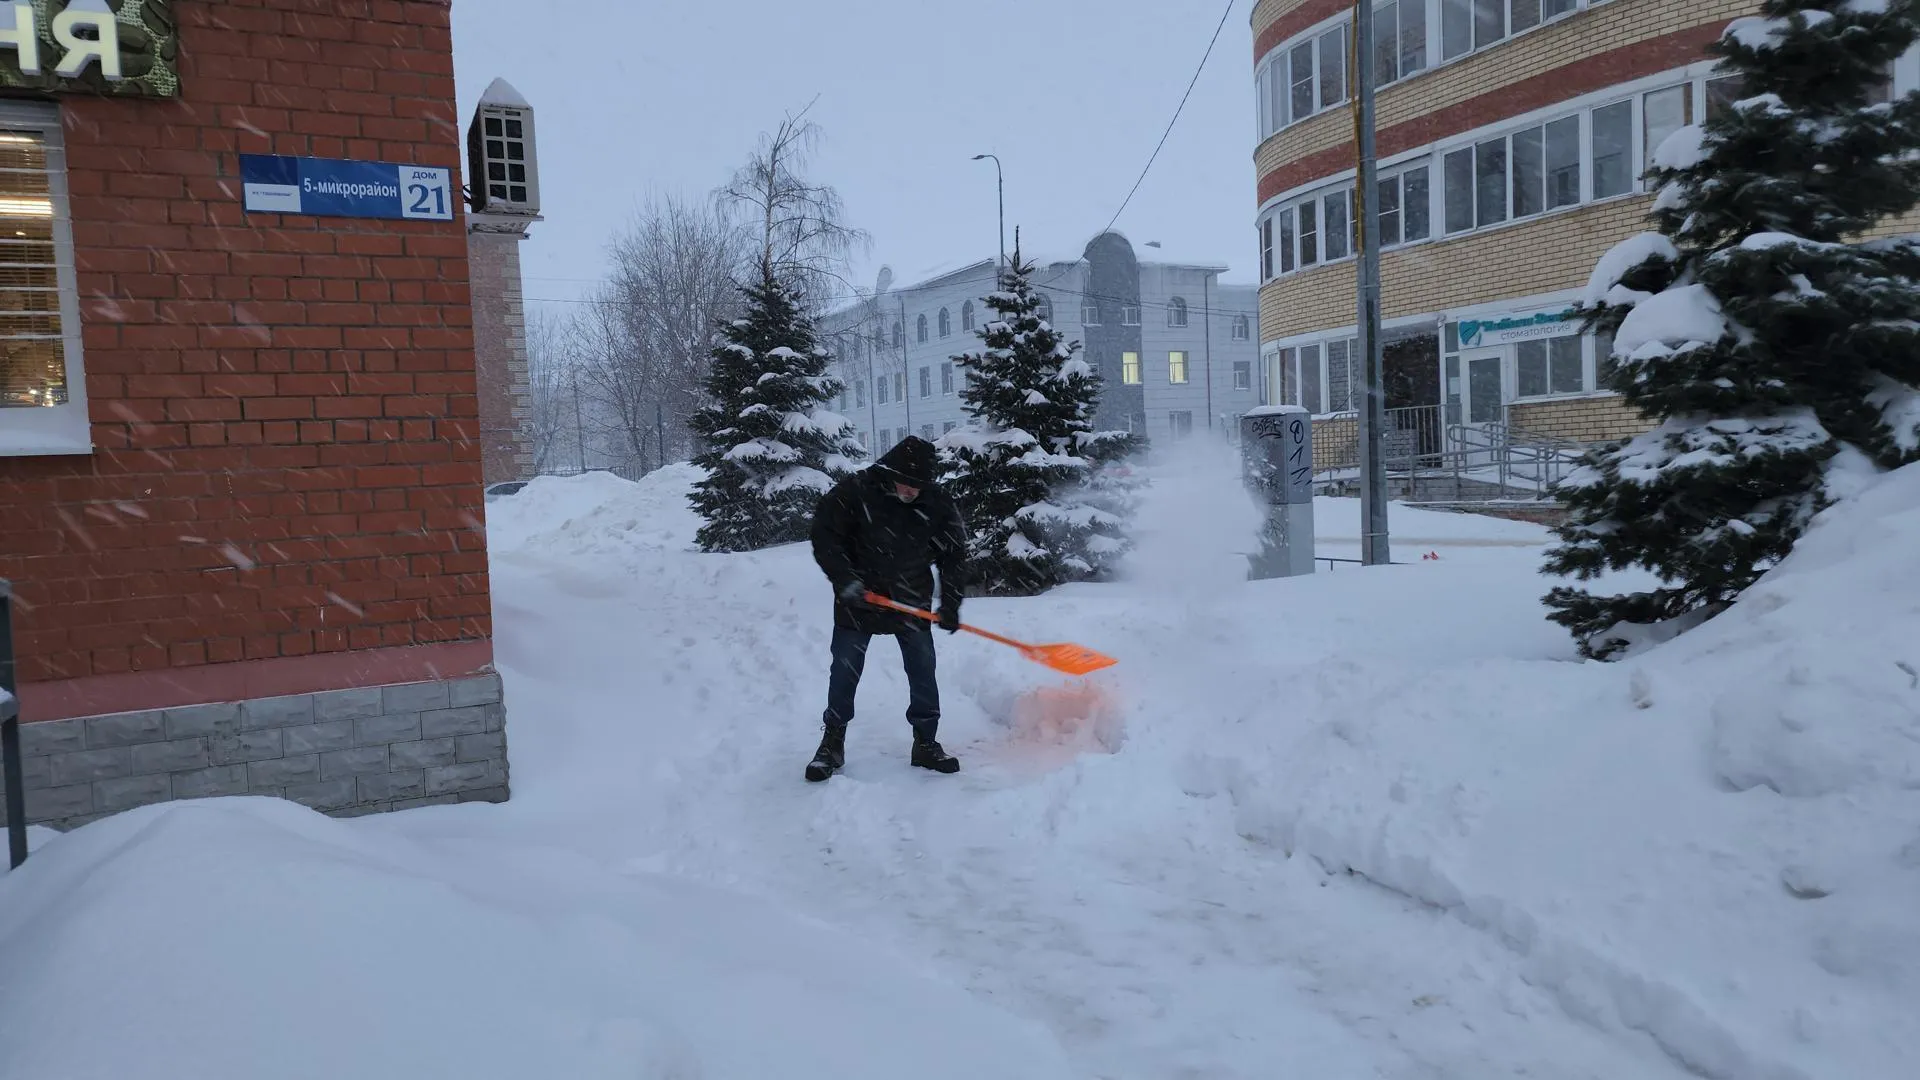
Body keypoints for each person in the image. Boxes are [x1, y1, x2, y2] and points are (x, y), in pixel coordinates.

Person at [805, 435, 969, 782]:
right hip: (858, 599)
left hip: (911, 600)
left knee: (923, 669)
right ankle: (832, 742)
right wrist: (845, 580)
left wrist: (951, 602)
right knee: (844, 671)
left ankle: (925, 742)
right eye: (905, 483)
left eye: (918, 486)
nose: (911, 491)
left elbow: (954, 554)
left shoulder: (936, 501)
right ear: (889, 472)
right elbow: (824, 534)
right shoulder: (857, 491)